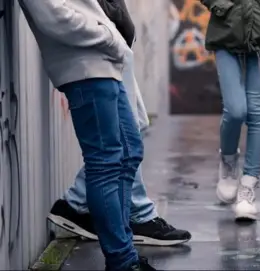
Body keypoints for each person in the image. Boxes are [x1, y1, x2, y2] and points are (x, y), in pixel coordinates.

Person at [18, 0, 155, 269]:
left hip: (105, 63)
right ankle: (122, 260)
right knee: (104, 163)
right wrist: (109, 38)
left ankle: (124, 252)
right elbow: (53, 17)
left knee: (129, 153)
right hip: (85, 64)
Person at [47, 0, 191, 248]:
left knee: (131, 140)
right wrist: (108, 36)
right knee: (112, 155)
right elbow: (51, 14)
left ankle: (81, 205)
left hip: (113, 43)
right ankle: (129, 222)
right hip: (98, 48)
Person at [200, 0, 260, 220]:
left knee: (257, 111)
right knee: (235, 110)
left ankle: (248, 187)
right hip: (226, 29)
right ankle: (229, 162)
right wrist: (221, 5)